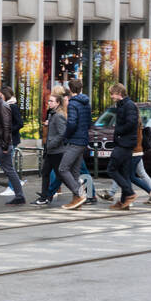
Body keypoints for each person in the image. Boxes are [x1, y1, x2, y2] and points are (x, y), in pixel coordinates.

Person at [55, 78, 92, 210]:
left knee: (63, 169)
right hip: (83, 140)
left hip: (75, 141)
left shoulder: (72, 104)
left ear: (70, 89)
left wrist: (66, 136)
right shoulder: (86, 103)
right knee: (75, 172)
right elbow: (89, 123)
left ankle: (80, 194)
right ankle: (77, 202)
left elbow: (72, 123)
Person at [105, 83, 139, 210]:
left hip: (125, 143)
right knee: (124, 173)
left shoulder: (129, 105)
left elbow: (131, 123)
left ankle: (129, 193)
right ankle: (125, 202)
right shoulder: (123, 105)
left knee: (111, 169)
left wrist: (118, 131)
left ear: (119, 93)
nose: (111, 96)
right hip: (124, 142)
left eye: (112, 93)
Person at [34, 90, 68, 205]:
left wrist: (51, 144)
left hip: (56, 151)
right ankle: (44, 197)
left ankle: (78, 192)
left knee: (61, 175)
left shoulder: (59, 116)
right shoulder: (52, 114)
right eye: (49, 100)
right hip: (50, 150)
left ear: (58, 103)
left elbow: (62, 133)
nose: (49, 102)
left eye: (51, 101)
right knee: (45, 172)